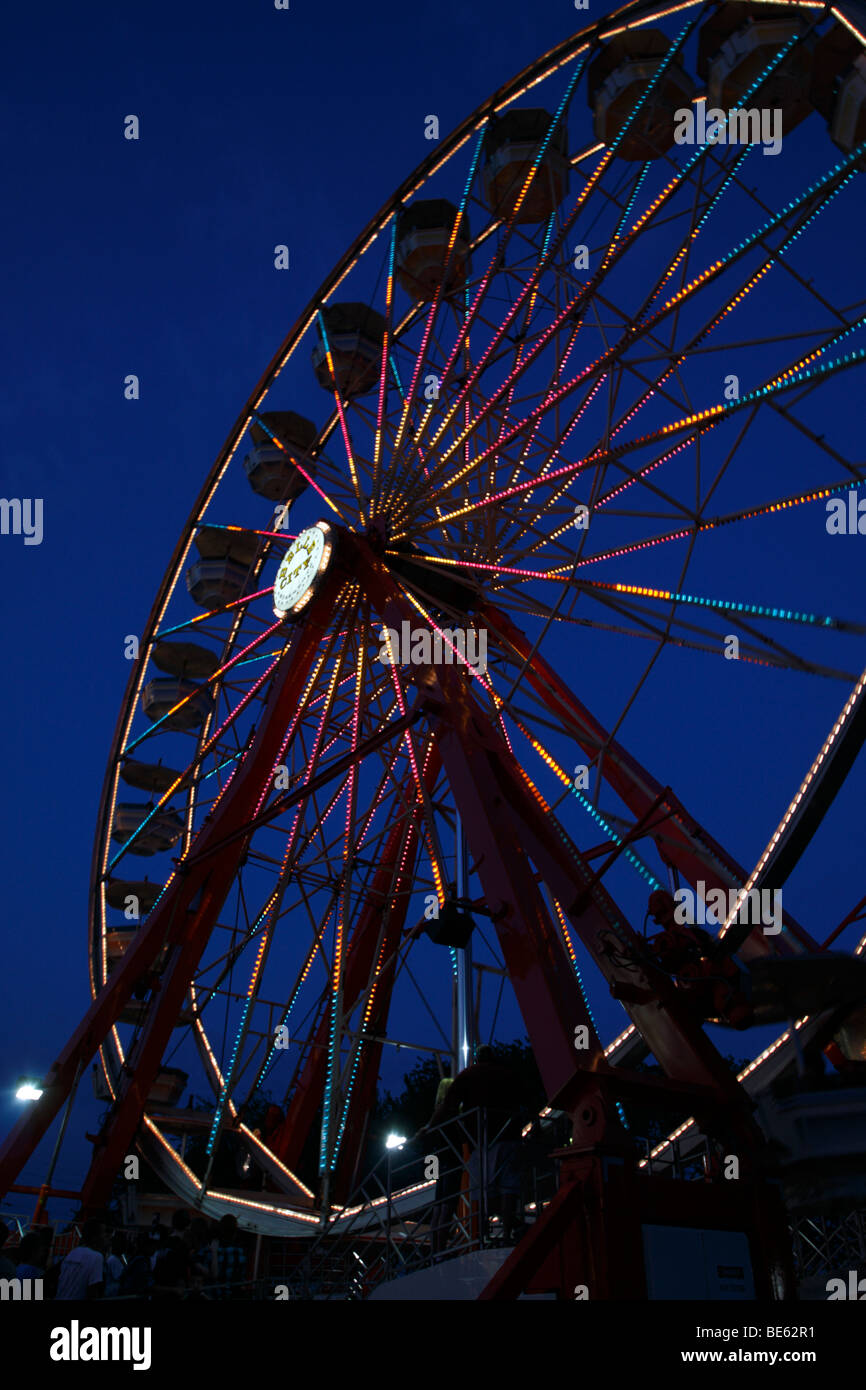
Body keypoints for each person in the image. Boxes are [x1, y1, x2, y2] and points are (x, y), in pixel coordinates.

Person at [425, 1045, 525, 1243]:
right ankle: (506, 1232)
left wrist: (427, 1128)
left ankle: (479, 1234)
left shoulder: (467, 1076)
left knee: (478, 1190)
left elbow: (447, 1108)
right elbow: (523, 1100)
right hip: (509, 1136)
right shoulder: (508, 1075)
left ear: (477, 1058)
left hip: (481, 1142)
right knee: (508, 1188)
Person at [54, 1220, 105, 1300]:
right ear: (95, 1237)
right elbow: (93, 1291)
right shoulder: (97, 1257)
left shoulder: (72, 1252)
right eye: (103, 1233)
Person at [209, 1214, 246, 1298]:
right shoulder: (239, 1252)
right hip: (235, 1294)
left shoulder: (215, 1250)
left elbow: (214, 1275)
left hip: (218, 1294)